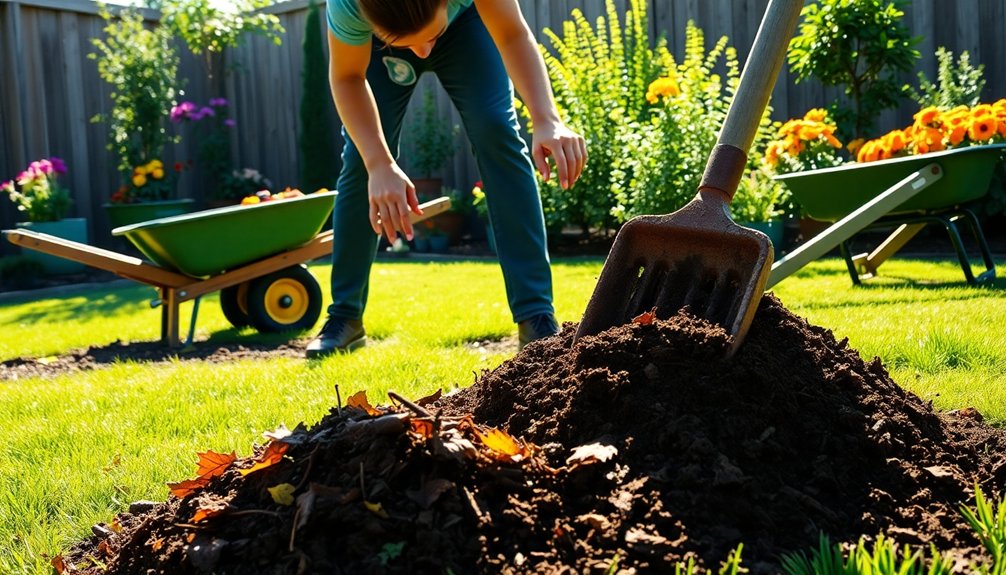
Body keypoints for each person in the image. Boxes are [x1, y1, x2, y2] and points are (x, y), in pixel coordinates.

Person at [306, 0, 587, 359]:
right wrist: (379, 164)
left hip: (464, 25)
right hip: (378, 43)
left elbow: (513, 33)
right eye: (409, 44)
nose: (423, 52)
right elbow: (347, 77)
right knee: (362, 161)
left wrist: (547, 118)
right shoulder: (348, 6)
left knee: (497, 130)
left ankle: (536, 316)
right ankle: (344, 317)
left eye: (431, 37)